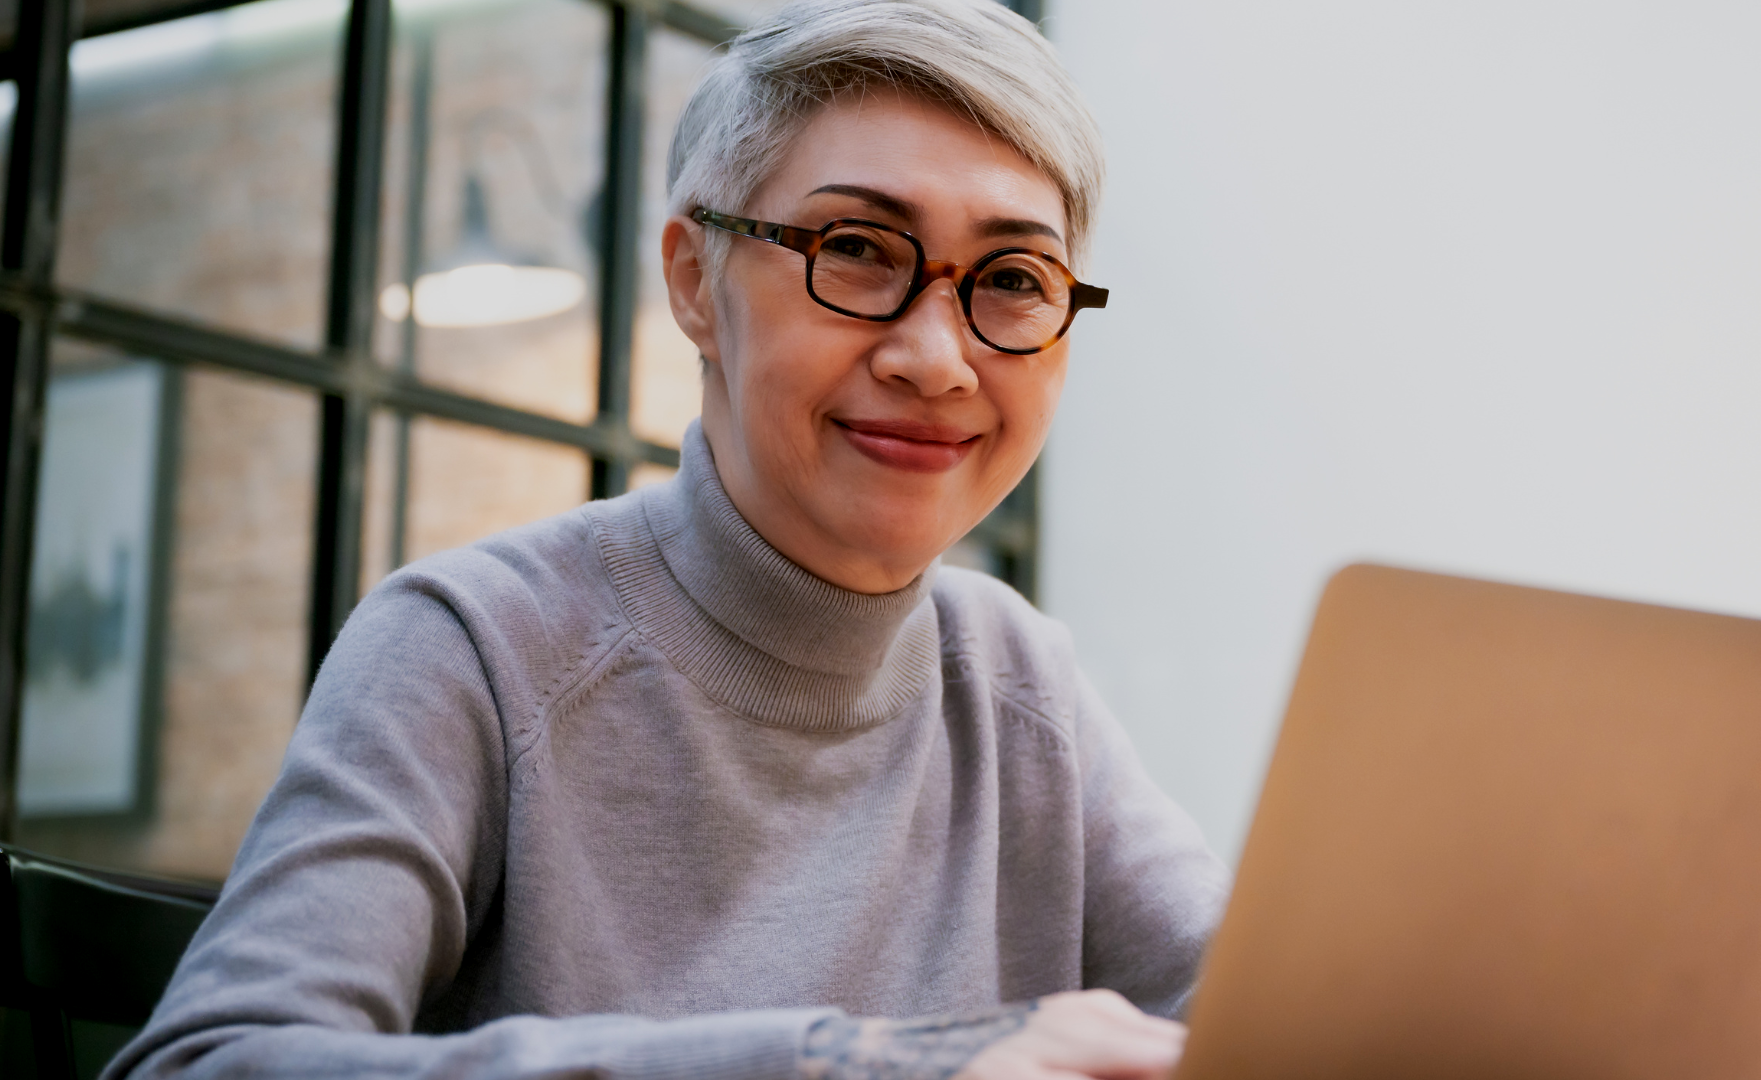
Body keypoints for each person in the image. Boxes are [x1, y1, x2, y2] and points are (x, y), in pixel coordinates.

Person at [106, 2, 1228, 1078]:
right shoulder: (474, 646)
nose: (937, 359)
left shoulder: (1017, 679)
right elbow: (213, 1060)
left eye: (1017, 280)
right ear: (696, 281)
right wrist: (852, 1064)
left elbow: (1261, 1016)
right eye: (856, 249)